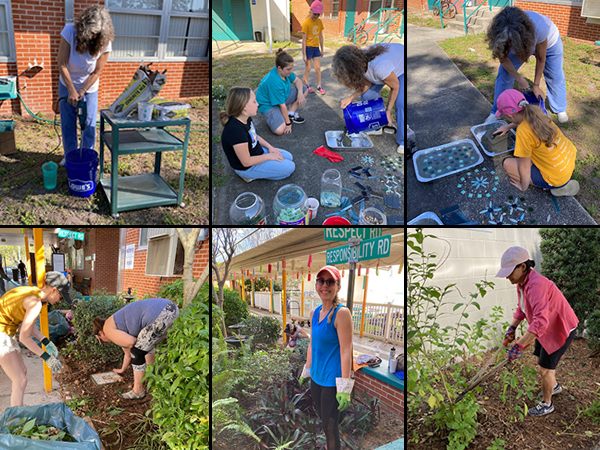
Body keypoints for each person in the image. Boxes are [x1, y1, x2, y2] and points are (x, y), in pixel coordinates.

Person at [496, 246, 578, 417]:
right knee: (541, 363)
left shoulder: (536, 285)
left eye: (510, 272)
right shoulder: (522, 283)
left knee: (545, 369)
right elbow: (522, 308)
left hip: (559, 328)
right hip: (544, 328)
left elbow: (541, 320)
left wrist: (518, 345)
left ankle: (547, 404)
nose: (507, 276)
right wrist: (512, 328)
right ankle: (553, 386)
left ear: (523, 267)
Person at [299, 266, 353, 450]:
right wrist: (307, 369)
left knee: (330, 429)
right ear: (316, 285)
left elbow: (346, 350)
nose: (325, 285)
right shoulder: (314, 313)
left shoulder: (341, 313)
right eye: (321, 281)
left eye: (330, 281)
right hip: (316, 379)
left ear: (337, 286)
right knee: (325, 423)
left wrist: (345, 387)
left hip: (332, 382)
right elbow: (313, 344)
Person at [484, 7, 568, 124]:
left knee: (555, 75)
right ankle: (496, 111)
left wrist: (536, 85)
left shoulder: (539, 27)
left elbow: (541, 59)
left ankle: (559, 108)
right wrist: (519, 78)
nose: (509, 44)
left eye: (511, 41)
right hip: (523, 43)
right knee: (504, 73)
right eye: (506, 41)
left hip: (549, 44)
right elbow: (504, 60)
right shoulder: (499, 33)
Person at [0, 272, 68, 407]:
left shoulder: (32, 291)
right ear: (54, 290)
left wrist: (44, 340)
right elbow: (24, 338)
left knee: (22, 372)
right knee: (20, 380)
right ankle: (17, 418)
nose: (60, 301)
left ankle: (19, 408)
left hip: (6, 331)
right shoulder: (35, 303)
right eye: (61, 296)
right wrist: (47, 357)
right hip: (2, 335)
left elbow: (27, 325)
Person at [57, 5, 114, 166]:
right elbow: (62, 64)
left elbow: (96, 72)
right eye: (92, 33)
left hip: (89, 87)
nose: (94, 36)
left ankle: (86, 157)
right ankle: (70, 157)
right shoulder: (69, 31)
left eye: (98, 34)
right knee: (68, 123)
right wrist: (71, 90)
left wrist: (82, 90)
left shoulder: (104, 41)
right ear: (83, 27)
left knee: (88, 124)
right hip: (67, 82)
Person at [494, 89, 578, 196]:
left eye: (506, 117)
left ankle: (550, 186)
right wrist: (509, 126)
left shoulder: (523, 132)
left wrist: (523, 187)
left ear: (510, 116)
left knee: (507, 164)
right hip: (567, 165)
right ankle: (559, 183)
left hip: (556, 177)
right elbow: (522, 120)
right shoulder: (538, 112)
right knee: (533, 156)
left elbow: (524, 168)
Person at [93, 298, 179, 399]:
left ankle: (138, 391)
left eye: (101, 340)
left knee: (137, 352)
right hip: (171, 308)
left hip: (161, 315)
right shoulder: (116, 323)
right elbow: (127, 354)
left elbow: (131, 342)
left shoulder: (107, 329)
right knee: (145, 346)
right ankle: (153, 374)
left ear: (101, 333)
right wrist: (122, 369)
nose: (103, 342)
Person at [332, 43, 404, 154]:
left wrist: (388, 111)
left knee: (401, 104)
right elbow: (366, 85)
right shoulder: (359, 62)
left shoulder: (380, 68)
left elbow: (395, 87)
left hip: (400, 66)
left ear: (352, 70)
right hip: (384, 70)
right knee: (367, 96)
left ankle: (403, 140)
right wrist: (350, 98)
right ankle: (376, 127)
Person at [219, 87, 295, 182]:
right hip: (248, 166)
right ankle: (248, 175)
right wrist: (269, 156)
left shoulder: (245, 117)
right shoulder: (235, 131)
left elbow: (254, 136)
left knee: (289, 156)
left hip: (257, 153)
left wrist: (270, 148)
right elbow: (246, 162)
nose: (257, 104)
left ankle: (267, 170)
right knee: (290, 168)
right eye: (254, 102)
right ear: (244, 106)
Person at [256, 49, 307, 135]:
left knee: (304, 89)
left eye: (292, 69)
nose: (291, 71)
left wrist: (300, 93)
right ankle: (277, 116)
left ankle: (290, 114)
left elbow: (298, 81)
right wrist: (288, 124)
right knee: (280, 130)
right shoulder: (274, 81)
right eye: (288, 69)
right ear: (279, 68)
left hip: (280, 97)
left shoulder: (284, 72)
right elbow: (282, 106)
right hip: (268, 104)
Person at [302, 1, 326, 95]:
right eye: (314, 14)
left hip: (316, 48)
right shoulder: (306, 23)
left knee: (318, 68)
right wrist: (304, 54)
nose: (316, 16)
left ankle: (319, 86)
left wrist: (322, 49)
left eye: (318, 14)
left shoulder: (319, 22)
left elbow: (321, 36)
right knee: (308, 68)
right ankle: (305, 85)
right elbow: (303, 40)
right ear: (310, 10)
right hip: (308, 48)